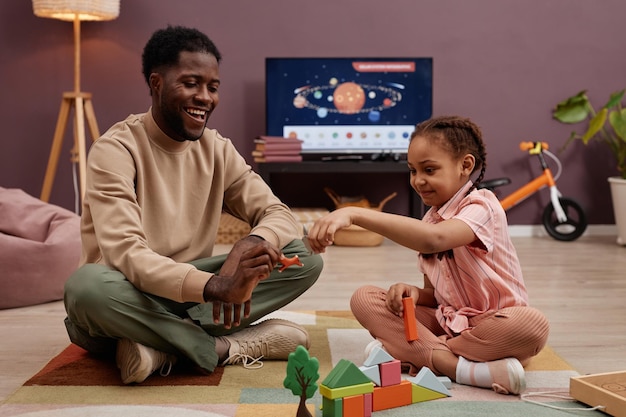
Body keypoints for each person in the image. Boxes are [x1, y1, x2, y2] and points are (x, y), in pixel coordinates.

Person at [63, 25, 323, 384]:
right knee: (84, 288)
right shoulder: (115, 149)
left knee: (303, 256)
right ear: (156, 84)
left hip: (189, 296)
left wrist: (250, 244)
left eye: (212, 87)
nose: (205, 97)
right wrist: (216, 286)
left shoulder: (217, 149)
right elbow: (126, 254)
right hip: (122, 297)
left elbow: (278, 214)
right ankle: (223, 348)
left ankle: (159, 345)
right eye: (190, 84)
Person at [307, 115, 549, 395]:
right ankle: (461, 367)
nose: (418, 181)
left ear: (465, 166)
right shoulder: (428, 222)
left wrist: (354, 213)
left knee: (532, 324)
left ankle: (414, 352)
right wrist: (412, 293)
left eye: (429, 170)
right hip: (449, 323)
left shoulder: (483, 206)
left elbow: (435, 240)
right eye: (412, 171)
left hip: (494, 324)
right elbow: (435, 296)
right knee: (364, 298)